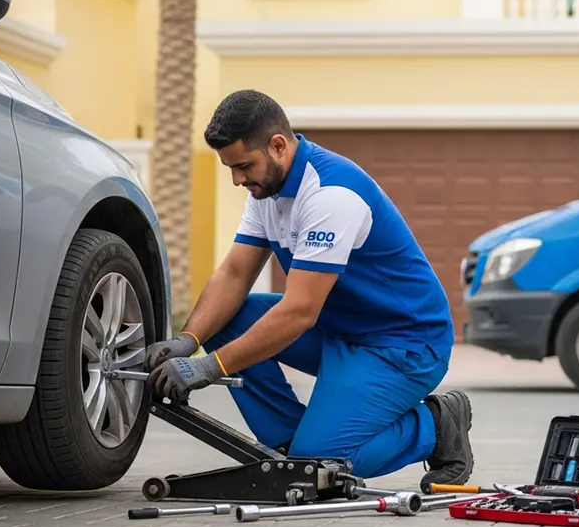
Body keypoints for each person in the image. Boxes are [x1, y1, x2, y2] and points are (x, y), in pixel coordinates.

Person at [143, 89, 474, 492]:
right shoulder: (267, 190)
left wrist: (208, 368)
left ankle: (436, 424)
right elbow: (234, 273)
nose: (237, 180)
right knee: (229, 318)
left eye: (244, 166)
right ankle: (288, 444)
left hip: (402, 344)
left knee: (322, 466)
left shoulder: (331, 195)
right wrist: (188, 340)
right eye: (230, 168)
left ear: (278, 145)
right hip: (339, 330)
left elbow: (300, 311)